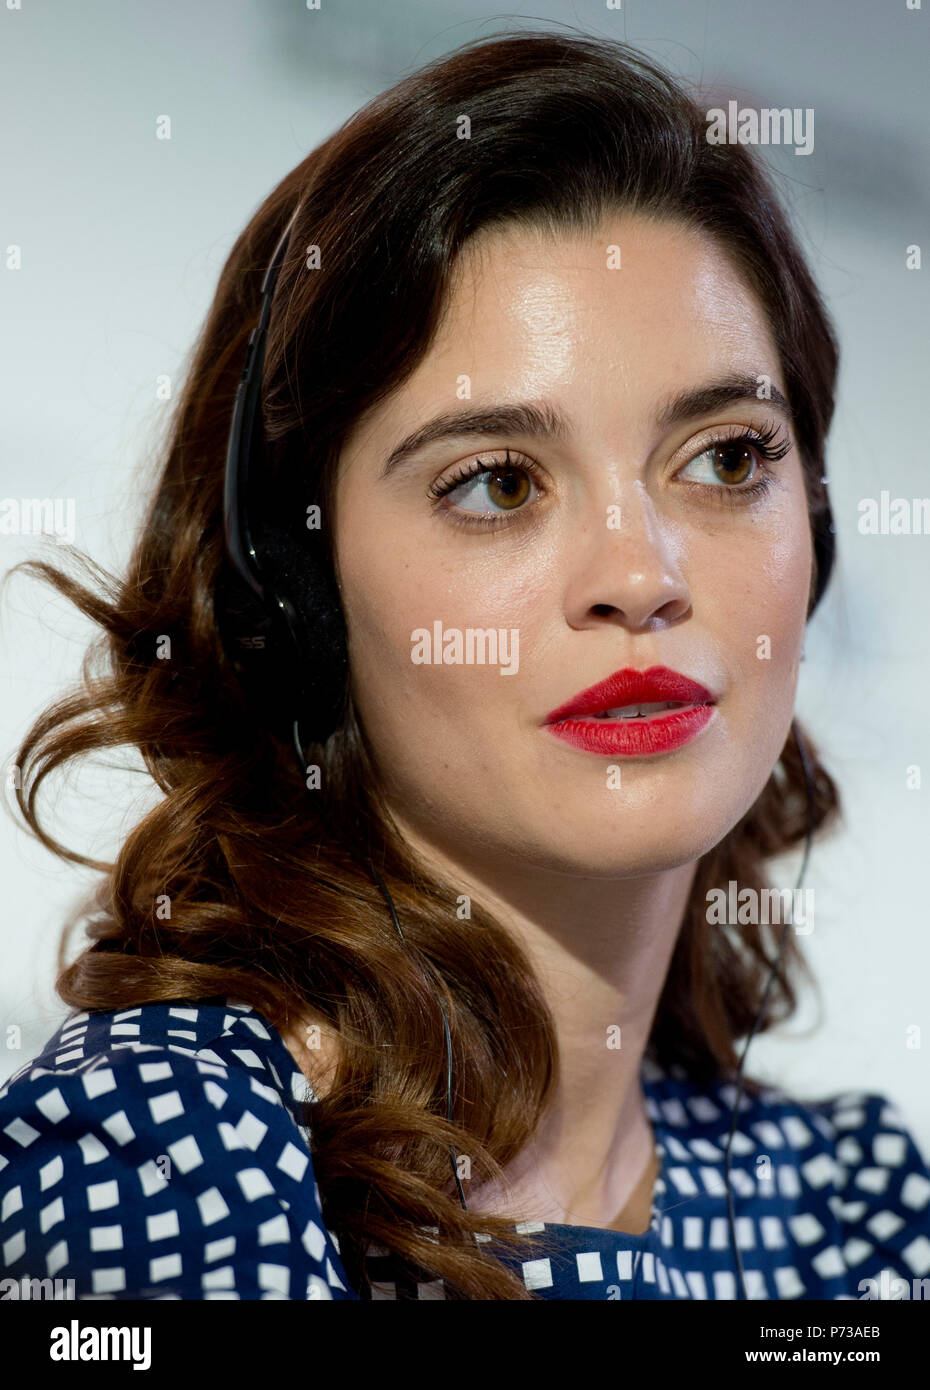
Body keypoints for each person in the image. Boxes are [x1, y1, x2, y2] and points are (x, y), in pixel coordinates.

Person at [1, 30, 928, 1303]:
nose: (641, 572)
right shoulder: (166, 1146)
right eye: (497, 482)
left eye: (725, 457)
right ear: (301, 590)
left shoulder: (855, 1209)